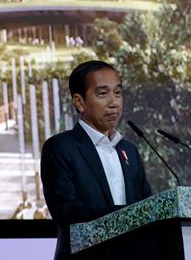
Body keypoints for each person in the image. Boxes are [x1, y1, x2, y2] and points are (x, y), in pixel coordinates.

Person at [41, 60, 152, 260]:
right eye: (103, 94)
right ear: (79, 102)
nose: (114, 102)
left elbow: (149, 208)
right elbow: (66, 211)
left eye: (117, 93)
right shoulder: (60, 147)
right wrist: (126, 214)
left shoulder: (130, 151)